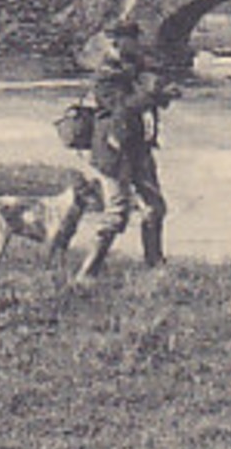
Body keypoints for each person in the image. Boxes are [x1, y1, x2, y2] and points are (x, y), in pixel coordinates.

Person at [75, 20, 177, 280]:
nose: (133, 44)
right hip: (113, 152)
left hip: (138, 148)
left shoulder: (136, 66)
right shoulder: (105, 74)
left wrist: (166, 93)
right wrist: (153, 93)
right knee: (117, 214)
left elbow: (148, 95)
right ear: (115, 42)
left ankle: (154, 264)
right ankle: (87, 273)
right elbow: (123, 106)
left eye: (133, 39)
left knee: (155, 207)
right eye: (127, 39)